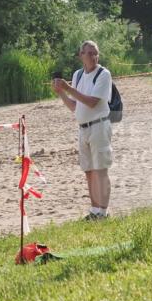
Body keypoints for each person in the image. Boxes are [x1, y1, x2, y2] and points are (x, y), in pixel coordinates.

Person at [52, 40, 114, 220]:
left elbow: (92, 102)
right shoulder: (78, 75)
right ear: (81, 55)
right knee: (89, 170)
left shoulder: (103, 74)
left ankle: (103, 211)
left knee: (101, 170)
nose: (93, 57)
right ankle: (94, 210)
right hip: (83, 128)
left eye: (96, 53)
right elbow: (75, 106)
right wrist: (61, 92)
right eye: (89, 53)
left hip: (99, 126)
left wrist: (68, 88)